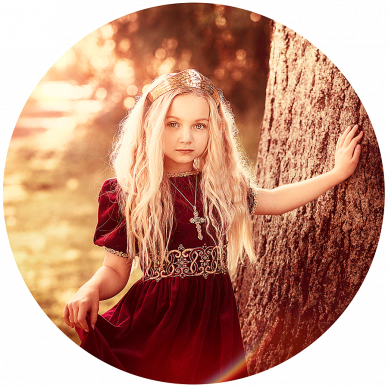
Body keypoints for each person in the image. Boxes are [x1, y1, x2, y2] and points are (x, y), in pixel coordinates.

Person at [63, 69, 363, 383]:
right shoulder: (129, 194)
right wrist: (90, 289)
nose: (186, 137)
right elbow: (115, 270)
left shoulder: (220, 187)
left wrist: (335, 174)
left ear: (214, 130)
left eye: (199, 125)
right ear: (151, 125)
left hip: (215, 319)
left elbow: (276, 200)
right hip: (158, 321)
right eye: (173, 123)